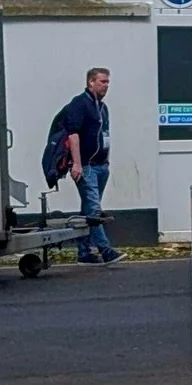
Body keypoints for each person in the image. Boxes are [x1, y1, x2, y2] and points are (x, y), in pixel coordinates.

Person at [63, 68, 126, 266]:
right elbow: (73, 135)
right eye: (102, 82)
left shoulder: (102, 108)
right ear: (91, 82)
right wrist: (77, 164)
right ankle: (105, 250)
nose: (106, 86)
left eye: (108, 82)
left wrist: (106, 160)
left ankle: (84, 253)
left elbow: (104, 135)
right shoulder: (80, 104)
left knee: (89, 210)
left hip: (101, 166)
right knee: (94, 210)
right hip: (87, 166)